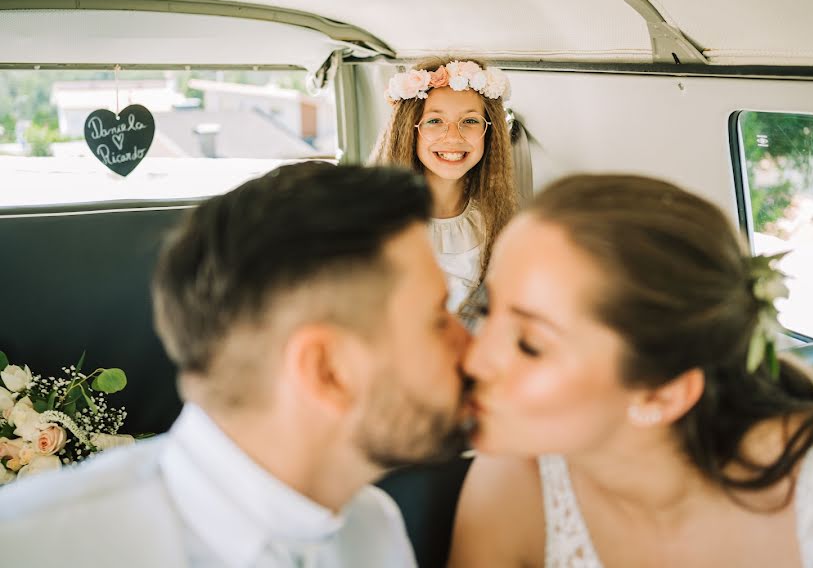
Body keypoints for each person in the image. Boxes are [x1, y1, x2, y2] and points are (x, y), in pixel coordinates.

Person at [0, 162, 472, 567]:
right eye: (438, 319)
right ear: (327, 371)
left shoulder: (372, 527)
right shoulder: (29, 547)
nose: (472, 345)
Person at [449, 174, 813, 567]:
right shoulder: (513, 479)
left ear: (660, 395)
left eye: (530, 345)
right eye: (488, 310)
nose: (473, 358)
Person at [372, 57, 518, 316]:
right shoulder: (375, 221)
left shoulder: (498, 220)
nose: (453, 136)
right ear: (409, 131)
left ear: (490, 132)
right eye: (434, 121)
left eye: (470, 121)